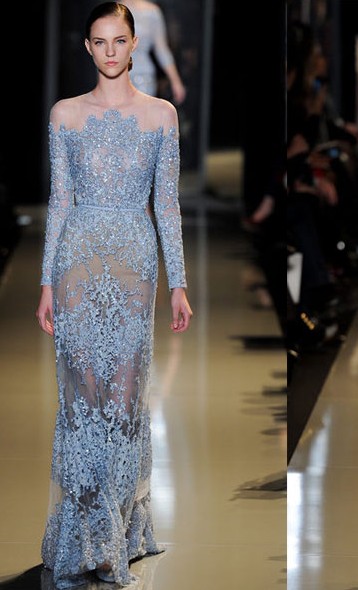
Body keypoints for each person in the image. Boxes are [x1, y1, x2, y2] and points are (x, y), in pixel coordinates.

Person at [35, 2, 193, 587]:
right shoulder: (65, 114)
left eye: (119, 40)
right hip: (77, 263)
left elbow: (167, 204)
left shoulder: (161, 116)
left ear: (134, 44)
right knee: (82, 400)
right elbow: (60, 201)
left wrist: (179, 283)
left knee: (124, 401)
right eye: (99, 41)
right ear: (87, 47)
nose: (109, 51)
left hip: (133, 263)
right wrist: (46, 281)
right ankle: (90, 537)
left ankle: (116, 531)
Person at [119, 0, 186, 105]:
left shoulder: (152, 12)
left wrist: (175, 81)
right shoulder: (113, 10)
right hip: (115, 75)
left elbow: (161, 49)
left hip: (143, 76)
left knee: (142, 112)